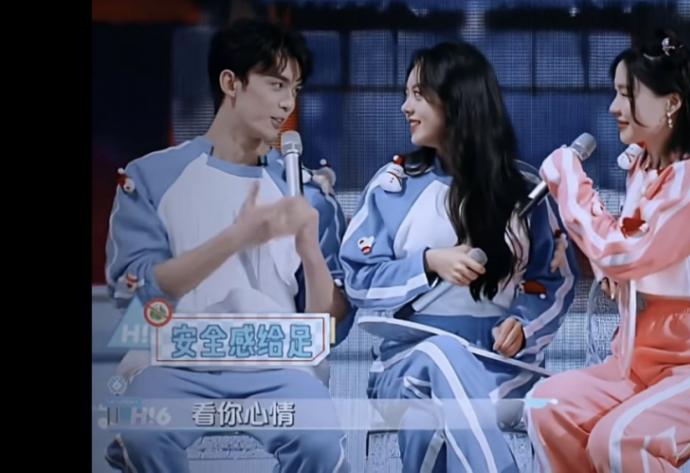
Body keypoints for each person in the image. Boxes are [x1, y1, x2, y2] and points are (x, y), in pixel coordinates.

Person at [103, 19, 350, 472]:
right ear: (231, 83)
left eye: (295, 88)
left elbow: (327, 325)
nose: (287, 102)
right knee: (142, 432)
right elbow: (140, 293)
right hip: (172, 364)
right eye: (276, 84)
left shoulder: (306, 192)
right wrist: (236, 237)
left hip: (278, 366)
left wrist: (310, 251)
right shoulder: (153, 176)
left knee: (320, 442)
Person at [527, 27, 690, 472]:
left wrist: (570, 183)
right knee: (548, 405)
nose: (614, 108)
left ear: (671, 103)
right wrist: (615, 273)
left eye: (626, 94)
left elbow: (623, 253)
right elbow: (626, 251)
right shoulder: (643, 168)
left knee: (619, 442)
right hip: (639, 359)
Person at [340, 41, 578, 473]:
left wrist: (522, 326)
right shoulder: (393, 187)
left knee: (424, 421)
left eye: (418, 95)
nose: (405, 107)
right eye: (406, 94)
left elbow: (554, 281)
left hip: (499, 368)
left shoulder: (525, 191)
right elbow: (358, 278)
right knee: (440, 354)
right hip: (407, 365)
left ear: (456, 100)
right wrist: (429, 263)